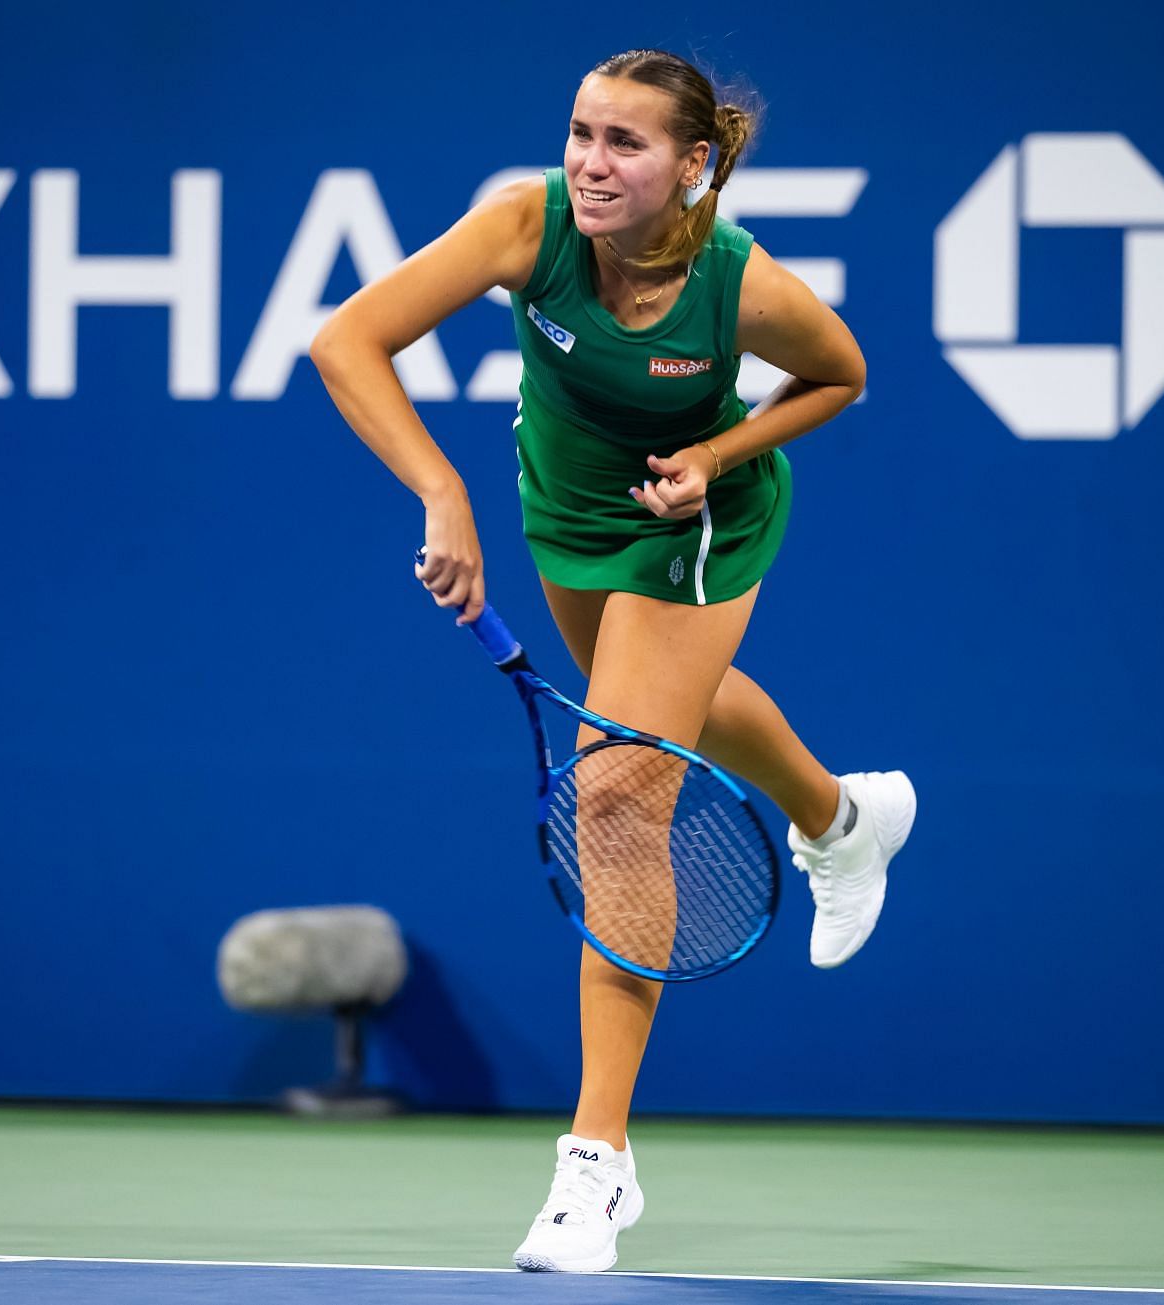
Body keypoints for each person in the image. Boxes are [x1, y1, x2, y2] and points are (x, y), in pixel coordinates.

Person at [311, 48, 916, 1274]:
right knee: (657, 718)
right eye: (583, 133)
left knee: (619, 796)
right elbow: (347, 342)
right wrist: (443, 494)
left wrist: (723, 453)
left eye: (625, 144)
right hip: (564, 511)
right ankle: (844, 820)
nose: (590, 161)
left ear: (693, 167)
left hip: (693, 528)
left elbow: (841, 374)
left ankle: (595, 1169)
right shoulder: (527, 226)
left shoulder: (737, 284)